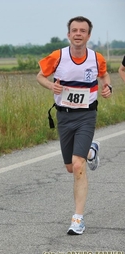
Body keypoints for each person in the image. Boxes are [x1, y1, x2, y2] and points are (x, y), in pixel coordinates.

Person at [36, 16, 112, 235]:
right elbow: (40, 76)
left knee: (78, 166)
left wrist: (107, 87)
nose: (78, 34)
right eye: (74, 30)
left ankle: (77, 219)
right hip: (64, 117)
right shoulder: (58, 56)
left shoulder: (96, 58)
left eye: (83, 31)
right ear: (68, 34)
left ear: (88, 35)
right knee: (71, 167)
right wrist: (51, 85)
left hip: (87, 115)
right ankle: (90, 150)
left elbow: (104, 75)